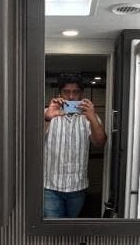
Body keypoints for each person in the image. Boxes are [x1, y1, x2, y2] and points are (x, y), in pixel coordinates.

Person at [43, 74, 107, 218]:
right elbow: (32, 141)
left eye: (75, 92)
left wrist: (92, 117)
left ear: (81, 94)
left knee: (72, 228)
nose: (71, 97)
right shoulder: (47, 114)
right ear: (60, 93)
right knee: (53, 228)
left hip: (78, 187)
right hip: (50, 188)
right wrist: (47, 118)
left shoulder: (90, 117)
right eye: (66, 92)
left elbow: (100, 142)